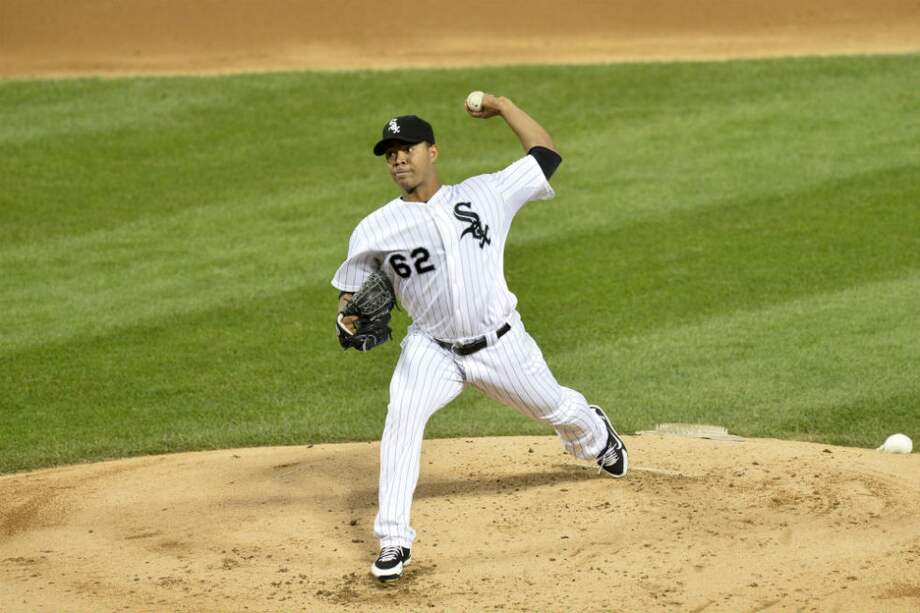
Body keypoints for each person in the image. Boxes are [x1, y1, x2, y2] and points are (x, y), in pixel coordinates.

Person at [331, 94, 628, 583]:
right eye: (390, 153)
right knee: (401, 420)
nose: (398, 158)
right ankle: (394, 541)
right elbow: (350, 295)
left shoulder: (485, 193)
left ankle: (595, 435)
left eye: (407, 148)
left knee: (556, 409)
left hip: (501, 345)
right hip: (431, 349)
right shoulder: (374, 228)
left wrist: (504, 106)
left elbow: (546, 154)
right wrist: (346, 321)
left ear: (433, 152)